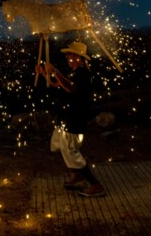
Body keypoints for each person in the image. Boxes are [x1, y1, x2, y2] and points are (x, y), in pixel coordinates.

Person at [36, 41, 105, 197]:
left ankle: (95, 185)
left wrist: (54, 71)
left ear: (79, 58)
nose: (67, 57)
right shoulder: (75, 72)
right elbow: (59, 85)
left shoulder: (83, 73)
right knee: (60, 145)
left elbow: (71, 88)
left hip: (74, 118)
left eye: (71, 54)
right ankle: (77, 174)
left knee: (71, 152)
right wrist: (43, 74)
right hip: (66, 118)